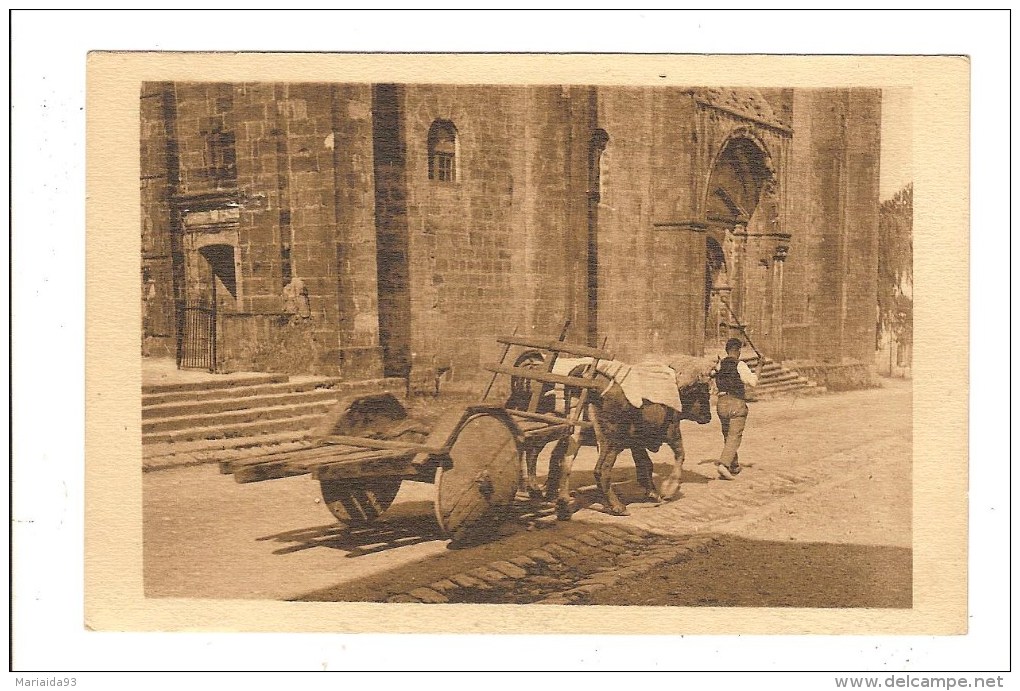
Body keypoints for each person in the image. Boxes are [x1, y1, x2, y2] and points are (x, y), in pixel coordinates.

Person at [711, 337, 760, 480]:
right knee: (734, 436)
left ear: (727, 350)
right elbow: (753, 382)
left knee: (727, 434)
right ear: (738, 350)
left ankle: (733, 465)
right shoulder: (740, 365)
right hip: (735, 402)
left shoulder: (719, 365)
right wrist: (759, 366)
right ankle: (724, 464)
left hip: (721, 403)